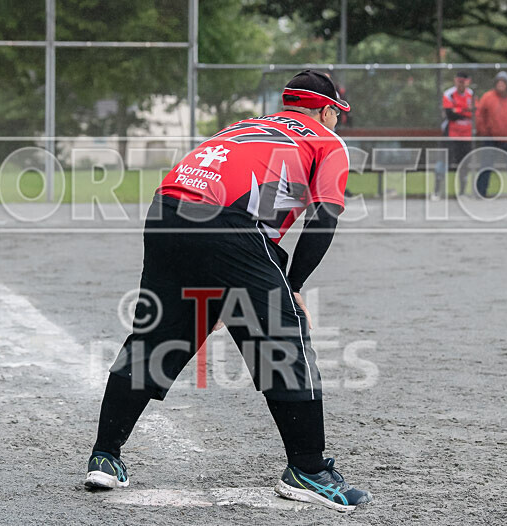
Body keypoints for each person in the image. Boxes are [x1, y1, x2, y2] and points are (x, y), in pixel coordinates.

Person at [85, 70, 371, 512]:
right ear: (327, 109)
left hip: (166, 210)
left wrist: (226, 289)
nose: (337, 122)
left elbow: (252, 228)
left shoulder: (244, 126)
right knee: (282, 336)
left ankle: (104, 456)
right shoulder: (326, 141)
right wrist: (291, 290)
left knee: (160, 335)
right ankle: (308, 470)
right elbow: (323, 219)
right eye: (337, 114)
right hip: (225, 222)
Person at [475, 71, 507, 198]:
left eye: (503, 82)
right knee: (486, 165)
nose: (500, 85)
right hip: (491, 138)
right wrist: (484, 131)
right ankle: (481, 191)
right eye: (498, 82)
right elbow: (480, 115)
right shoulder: (488, 97)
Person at [433, 71, 474, 199]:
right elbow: (450, 114)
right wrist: (464, 111)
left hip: (466, 135)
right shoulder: (449, 94)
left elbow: (474, 112)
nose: (461, 84)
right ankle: (437, 191)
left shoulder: (471, 95)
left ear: (468, 82)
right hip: (450, 134)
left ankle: (462, 192)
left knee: (464, 163)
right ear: (455, 81)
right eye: (459, 81)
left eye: (463, 81)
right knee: (443, 161)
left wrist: (459, 110)